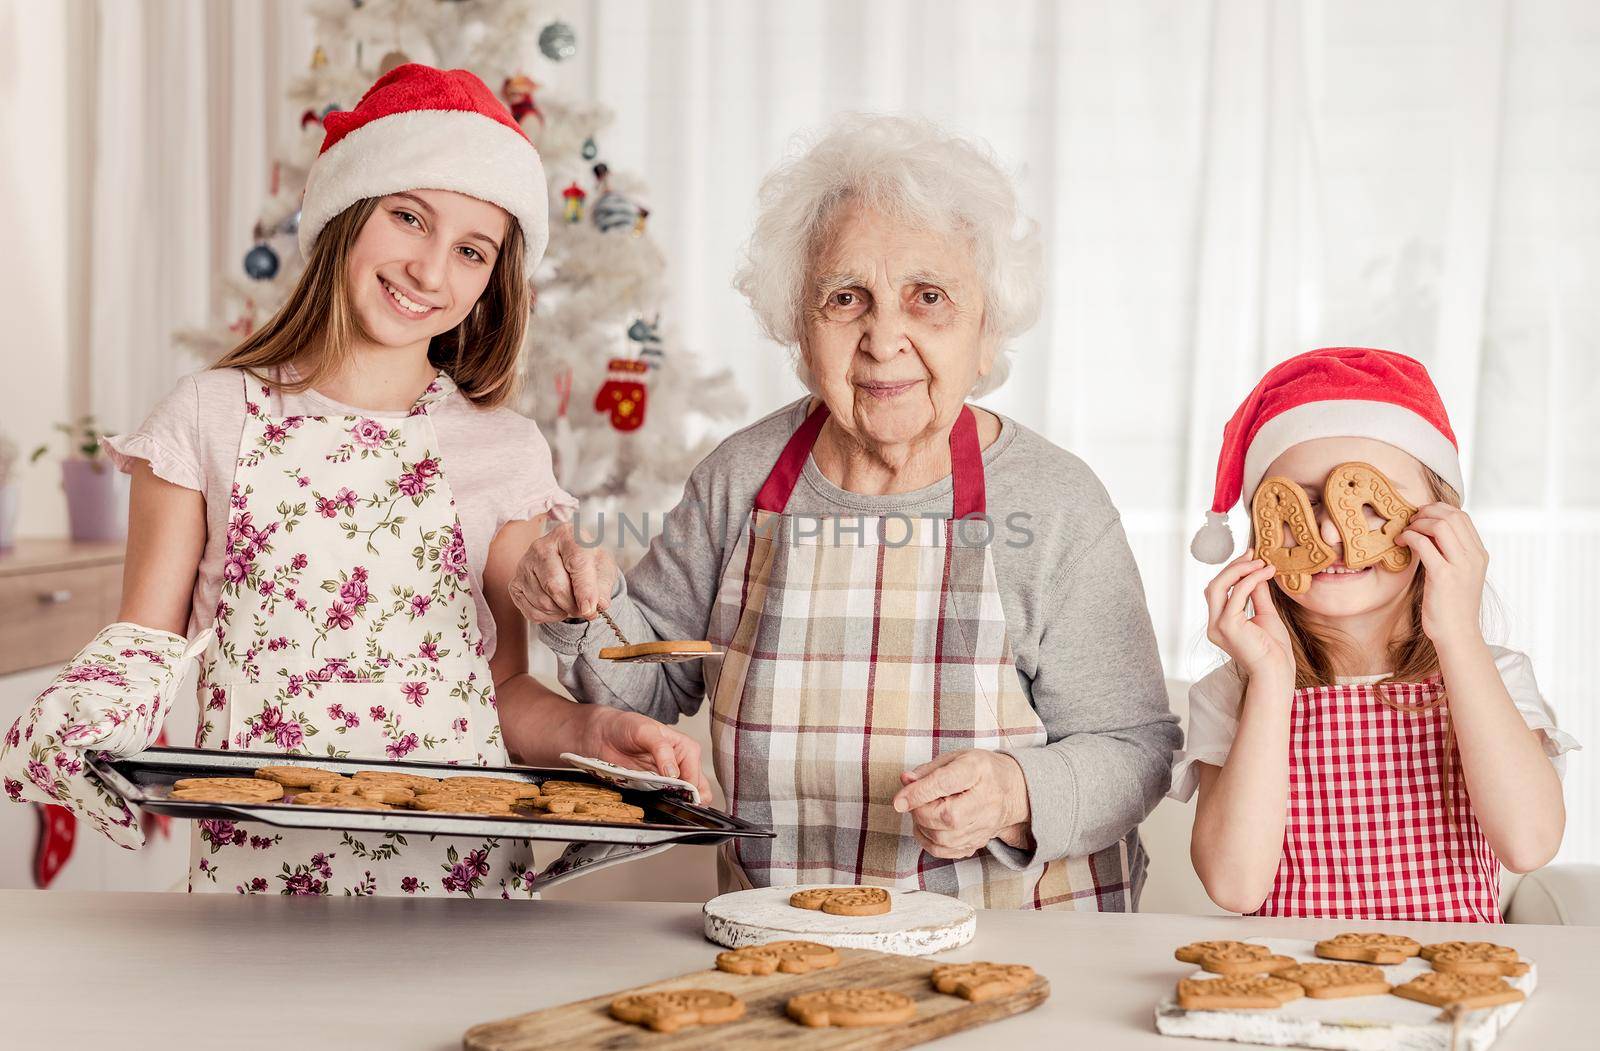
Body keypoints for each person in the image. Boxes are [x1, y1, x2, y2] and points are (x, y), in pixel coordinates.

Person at [1, 64, 704, 898]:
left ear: (490, 282)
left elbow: (505, 689)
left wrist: (595, 724)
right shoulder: (206, 417)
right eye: (409, 217)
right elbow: (144, 647)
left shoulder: (502, 449)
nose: (430, 270)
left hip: (461, 888)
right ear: (346, 210)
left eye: (471, 250)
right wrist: (80, 727)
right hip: (254, 882)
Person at [510, 115, 1179, 911]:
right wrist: (579, 607)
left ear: (985, 325)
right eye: (846, 298)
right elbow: (645, 694)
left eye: (928, 298)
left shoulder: (1055, 502)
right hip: (788, 943)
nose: (883, 338)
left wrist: (1015, 790)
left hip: (1022, 949)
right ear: (800, 322)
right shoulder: (742, 478)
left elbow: (1136, 749)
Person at [1176, 346, 1578, 920]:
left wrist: (1458, 637)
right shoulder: (1233, 692)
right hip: (1290, 988)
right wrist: (1270, 679)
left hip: (1454, 985)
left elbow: (1530, 843)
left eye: (1366, 503)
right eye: (1298, 503)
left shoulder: (1491, 674)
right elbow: (1236, 888)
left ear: (1439, 519)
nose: (1329, 532)